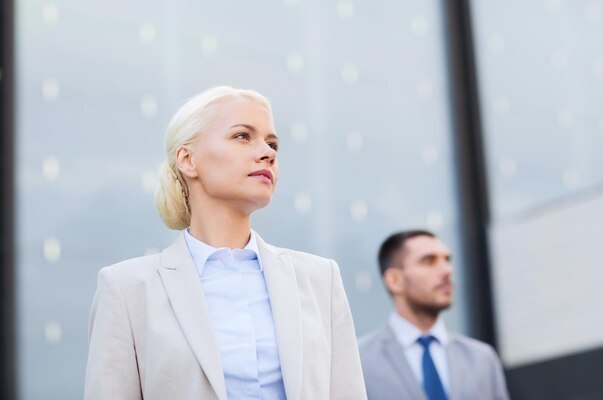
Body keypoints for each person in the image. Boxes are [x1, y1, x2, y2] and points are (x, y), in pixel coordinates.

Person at [85, 86, 367, 400]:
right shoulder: (126, 289)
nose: (268, 153)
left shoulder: (320, 280)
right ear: (187, 159)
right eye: (243, 136)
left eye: (272, 143)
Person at [359, 230, 510, 400]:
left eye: (447, 260)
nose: (447, 271)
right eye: (429, 261)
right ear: (395, 280)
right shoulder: (359, 362)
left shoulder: (482, 359)